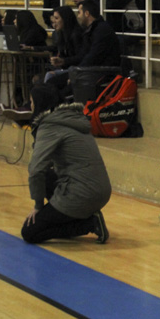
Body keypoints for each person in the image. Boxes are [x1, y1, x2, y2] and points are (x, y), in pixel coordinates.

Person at [21, 84, 111, 244]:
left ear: (40, 103)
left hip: (82, 193)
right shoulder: (73, 119)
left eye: (32, 102)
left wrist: (38, 206)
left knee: (30, 232)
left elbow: (36, 170)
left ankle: (89, 224)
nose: (30, 106)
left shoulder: (49, 126)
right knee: (48, 177)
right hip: (101, 191)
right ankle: (83, 217)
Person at [44, 5, 82, 84]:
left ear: (65, 19)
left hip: (76, 70)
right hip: (67, 68)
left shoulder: (76, 34)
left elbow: (80, 57)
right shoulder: (62, 34)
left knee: (49, 77)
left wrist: (63, 61)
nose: (54, 21)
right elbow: (56, 48)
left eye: (57, 18)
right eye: (53, 18)